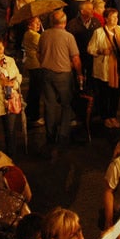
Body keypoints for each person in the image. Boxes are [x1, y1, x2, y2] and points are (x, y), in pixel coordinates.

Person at [39, 9, 82, 147]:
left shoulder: (44, 35)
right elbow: (75, 59)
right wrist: (80, 73)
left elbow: (39, 54)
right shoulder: (68, 37)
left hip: (46, 73)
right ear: (64, 22)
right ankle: (63, 135)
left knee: (49, 106)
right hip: (63, 74)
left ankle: (50, 135)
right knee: (66, 105)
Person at [88, 7, 120, 129]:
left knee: (116, 94)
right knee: (104, 95)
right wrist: (101, 51)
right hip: (104, 69)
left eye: (117, 17)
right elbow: (90, 49)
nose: (116, 19)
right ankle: (105, 117)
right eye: (113, 17)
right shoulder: (98, 33)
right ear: (106, 19)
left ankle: (113, 115)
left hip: (119, 69)